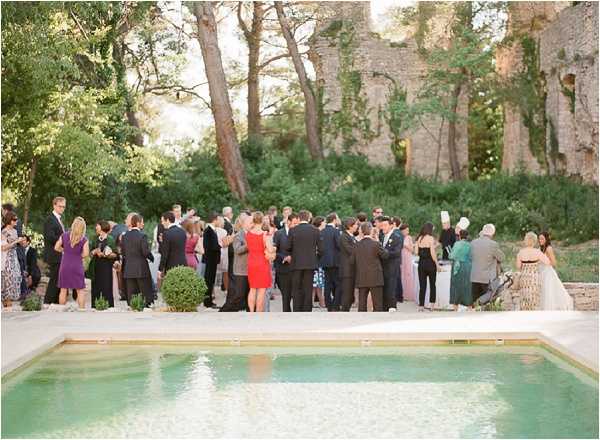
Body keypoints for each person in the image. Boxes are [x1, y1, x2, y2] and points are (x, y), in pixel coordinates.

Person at [285, 210, 323, 312]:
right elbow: (321, 249)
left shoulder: (293, 230)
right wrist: (315, 258)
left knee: (296, 288)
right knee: (308, 288)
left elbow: (287, 247)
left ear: (299, 218)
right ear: (309, 218)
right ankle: (307, 309)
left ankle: (297, 309)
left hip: (296, 263)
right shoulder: (315, 230)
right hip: (310, 263)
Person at [353, 222, 388, 311]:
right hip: (375, 277)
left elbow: (352, 261)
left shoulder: (356, 245)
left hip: (362, 277)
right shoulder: (375, 244)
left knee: (362, 304)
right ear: (371, 231)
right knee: (377, 303)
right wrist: (377, 241)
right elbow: (385, 255)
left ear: (361, 231)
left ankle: (362, 320)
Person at [121, 214, 154, 306]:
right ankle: (146, 305)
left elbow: (123, 253)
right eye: (142, 222)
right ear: (138, 223)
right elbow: (145, 252)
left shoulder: (124, 236)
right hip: (141, 267)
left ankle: (133, 306)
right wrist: (152, 258)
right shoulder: (142, 236)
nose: (143, 224)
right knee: (144, 289)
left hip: (129, 268)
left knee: (131, 291)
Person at [56, 217, 89, 309]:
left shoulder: (64, 235)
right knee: (80, 290)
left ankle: (61, 309)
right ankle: (81, 310)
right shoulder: (84, 239)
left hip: (65, 265)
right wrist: (78, 256)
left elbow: (56, 247)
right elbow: (86, 254)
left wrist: (65, 250)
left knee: (63, 289)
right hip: (77, 266)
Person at [220, 213, 251, 312]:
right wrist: (249, 245)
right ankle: (224, 311)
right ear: (242, 222)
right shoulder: (236, 234)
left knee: (247, 293)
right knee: (238, 293)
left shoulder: (251, 233)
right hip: (238, 267)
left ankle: (249, 312)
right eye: (248, 221)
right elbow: (235, 249)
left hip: (249, 267)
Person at [537, 231, 574, 310]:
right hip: (541, 272)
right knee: (543, 291)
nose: (540, 240)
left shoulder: (548, 248)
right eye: (539, 238)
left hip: (547, 272)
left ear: (546, 239)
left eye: (542, 238)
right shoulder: (541, 248)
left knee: (549, 291)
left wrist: (543, 261)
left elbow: (554, 263)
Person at [246, 211, 274, 312]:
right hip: (262, 263)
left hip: (251, 262)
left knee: (252, 289)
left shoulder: (248, 233)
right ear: (262, 220)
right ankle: (258, 312)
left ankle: (251, 311)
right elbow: (270, 249)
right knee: (261, 290)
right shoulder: (264, 234)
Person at [470, 224, 505, 306]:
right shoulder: (493, 244)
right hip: (487, 278)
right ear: (493, 233)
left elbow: (470, 257)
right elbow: (502, 258)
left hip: (474, 276)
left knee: (475, 303)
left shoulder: (473, 243)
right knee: (486, 303)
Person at [516, 231, 551, 311]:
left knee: (524, 299)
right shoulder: (537, 252)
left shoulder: (521, 252)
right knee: (534, 299)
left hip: (524, 278)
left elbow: (518, 266)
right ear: (534, 241)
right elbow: (548, 262)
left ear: (526, 240)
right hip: (534, 278)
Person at [88, 220, 118, 308]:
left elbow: (115, 254)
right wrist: (94, 252)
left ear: (102, 227)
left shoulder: (110, 239)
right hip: (96, 266)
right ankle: (95, 305)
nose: (96, 227)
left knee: (106, 286)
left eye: (97, 226)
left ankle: (108, 306)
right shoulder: (94, 238)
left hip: (106, 266)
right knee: (95, 286)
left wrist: (106, 255)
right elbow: (90, 253)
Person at [43, 196, 67, 304]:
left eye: (63, 207)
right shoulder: (50, 219)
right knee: (54, 279)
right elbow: (49, 236)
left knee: (58, 279)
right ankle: (48, 302)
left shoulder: (58, 219)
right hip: (54, 254)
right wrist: (64, 240)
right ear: (54, 205)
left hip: (59, 254)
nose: (62, 209)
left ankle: (56, 302)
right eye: (60, 206)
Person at [273, 213, 298, 312]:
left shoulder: (298, 233)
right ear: (288, 222)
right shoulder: (278, 234)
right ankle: (286, 314)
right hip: (283, 268)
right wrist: (284, 257)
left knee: (296, 294)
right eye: (295, 223)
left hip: (296, 267)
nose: (296, 225)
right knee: (286, 295)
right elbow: (275, 251)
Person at [2, 212, 26, 307]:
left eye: (16, 219)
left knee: (16, 277)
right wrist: (16, 241)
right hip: (7, 257)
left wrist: (22, 242)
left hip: (14, 256)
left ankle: (9, 300)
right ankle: (7, 301)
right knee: (8, 278)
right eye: (14, 220)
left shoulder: (15, 231)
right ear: (9, 220)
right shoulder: (4, 232)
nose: (16, 221)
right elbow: (3, 248)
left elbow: (19, 244)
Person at [379, 216, 403, 311]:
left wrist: (385, 253)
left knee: (391, 289)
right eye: (382, 225)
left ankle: (392, 308)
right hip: (383, 268)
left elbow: (397, 252)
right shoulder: (382, 236)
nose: (383, 227)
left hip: (392, 267)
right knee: (384, 289)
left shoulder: (396, 237)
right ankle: (385, 309)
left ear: (391, 226)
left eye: (385, 225)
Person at [415, 222, 439, 312]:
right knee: (433, 285)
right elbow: (432, 253)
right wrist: (437, 264)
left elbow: (416, 252)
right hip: (430, 264)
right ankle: (432, 306)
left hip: (421, 264)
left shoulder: (419, 238)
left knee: (422, 286)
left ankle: (421, 306)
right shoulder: (431, 238)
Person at [320, 213, 341, 311]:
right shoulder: (336, 231)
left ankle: (328, 304)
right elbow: (339, 245)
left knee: (327, 284)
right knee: (338, 284)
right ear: (334, 219)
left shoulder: (322, 231)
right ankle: (336, 305)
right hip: (335, 261)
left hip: (324, 261)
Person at [158, 211, 187, 279]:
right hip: (183, 264)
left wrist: (160, 269)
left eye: (163, 221)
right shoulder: (182, 231)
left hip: (171, 266)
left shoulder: (166, 233)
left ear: (167, 220)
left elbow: (165, 254)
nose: (162, 223)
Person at [448, 229, 472, 310]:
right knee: (467, 287)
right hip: (467, 267)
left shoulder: (457, 244)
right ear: (467, 236)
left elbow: (451, 256)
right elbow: (472, 257)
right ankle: (469, 308)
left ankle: (455, 308)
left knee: (456, 286)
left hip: (457, 268)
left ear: (460, 236)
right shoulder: (470, 245)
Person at [202, 212, 221, 308]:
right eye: (218, 219)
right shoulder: (208, 231)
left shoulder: (212, 230)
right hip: (210, 259)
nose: (219, 221)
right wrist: (221, 245)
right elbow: (210, 246)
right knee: (208, 280)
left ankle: (209, 299)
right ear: (214, 219)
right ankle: (207, 301)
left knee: (211, 280)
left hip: (212, 259)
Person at [339, 217, 358, 311]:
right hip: (347, 269)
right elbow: (350, 250)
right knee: (347, 293)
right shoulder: (344, 236)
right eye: (355, 225)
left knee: (350, 293)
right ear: (350, 226)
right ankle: (344, 311)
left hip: (352, 269)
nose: (357, 226)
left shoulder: (351, 236)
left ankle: (347, 309)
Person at [311, 216, 326, 309]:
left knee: (317, 284)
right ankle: (321, 302)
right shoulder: (317, 233)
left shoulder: (319, 233)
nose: (325, 223)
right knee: (316, 284)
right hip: (316, 261)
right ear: (320, 223)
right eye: (324, 222)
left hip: (317, 261)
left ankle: (318, 302)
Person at [399, 224, 415, 302]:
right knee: (402, 274)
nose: (407, 232)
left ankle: (409, 295)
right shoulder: (399, 237)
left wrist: (405, 245)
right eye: (406, 230)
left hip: (408, 257)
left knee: (408, 274)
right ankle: (402, 294)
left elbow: (412, 249)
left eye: (408, 230)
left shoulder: (409, 238)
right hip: (401, 257)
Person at [223, 207, 235, 291]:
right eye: (231, 212)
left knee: (229, 269)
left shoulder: (227, 222)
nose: (232, 214)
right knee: (229, 269)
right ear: (228, 213)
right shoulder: (226, 223)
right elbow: (227, 237)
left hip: (229, 248)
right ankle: (228, 287)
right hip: (228, 248)